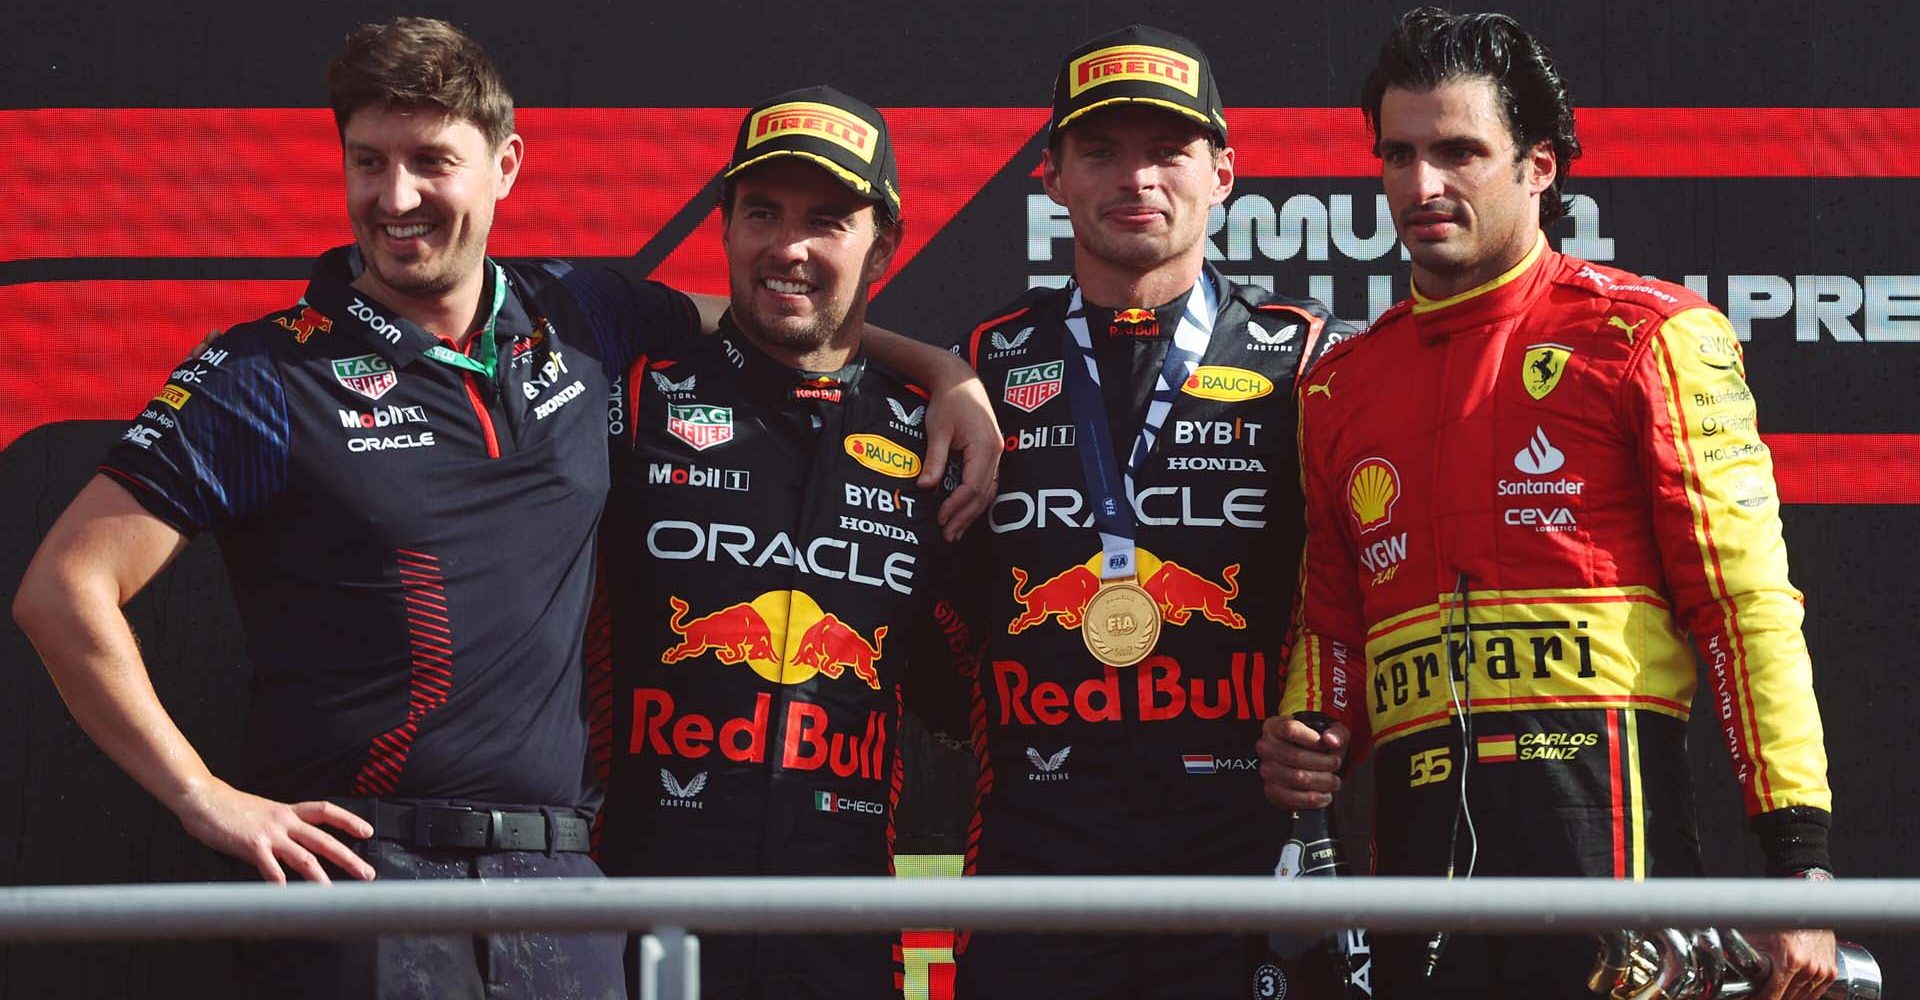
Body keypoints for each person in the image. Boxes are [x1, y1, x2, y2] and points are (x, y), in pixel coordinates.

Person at [10, 17, 996, 1000]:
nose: (397, 198)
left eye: (432, 160)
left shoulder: (579, 315)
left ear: (505, 166)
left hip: (556, 882)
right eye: (369, 161)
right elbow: (63, 588)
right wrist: (205, 800)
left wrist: (940, 370)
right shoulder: (265, 370)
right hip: (357, 869)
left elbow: (764, 323)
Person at [1258, 9, 1837, 1000]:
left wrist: (1799, 864)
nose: (1421, 185)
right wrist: (1311, 732)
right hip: (1416, 857)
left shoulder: (1650, 336)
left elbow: (1746, 612)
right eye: (1398, 154)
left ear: (1540, 164)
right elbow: (1331, 621)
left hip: (1609, 841)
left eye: (1458, 152)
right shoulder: (1338, 384)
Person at [940, 24, 1353, 1000]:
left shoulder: (1306, 357)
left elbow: (1381, 579)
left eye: (1167, 151)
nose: (1138, 179)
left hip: (1247, 849)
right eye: (1101, 151)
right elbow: (925, 608)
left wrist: (1340, 720)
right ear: (1052, 177)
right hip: (1039, 847)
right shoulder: (982, 366)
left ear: (1223, 173)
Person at [586, 83, 960, 1000]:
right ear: (724, 225)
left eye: (826, 220)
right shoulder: (627, 399)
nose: (787, 247)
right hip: (630, 911)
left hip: (840, 923)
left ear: (886, 242)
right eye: (762, 212)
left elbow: (982, 682)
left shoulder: (936, 437)